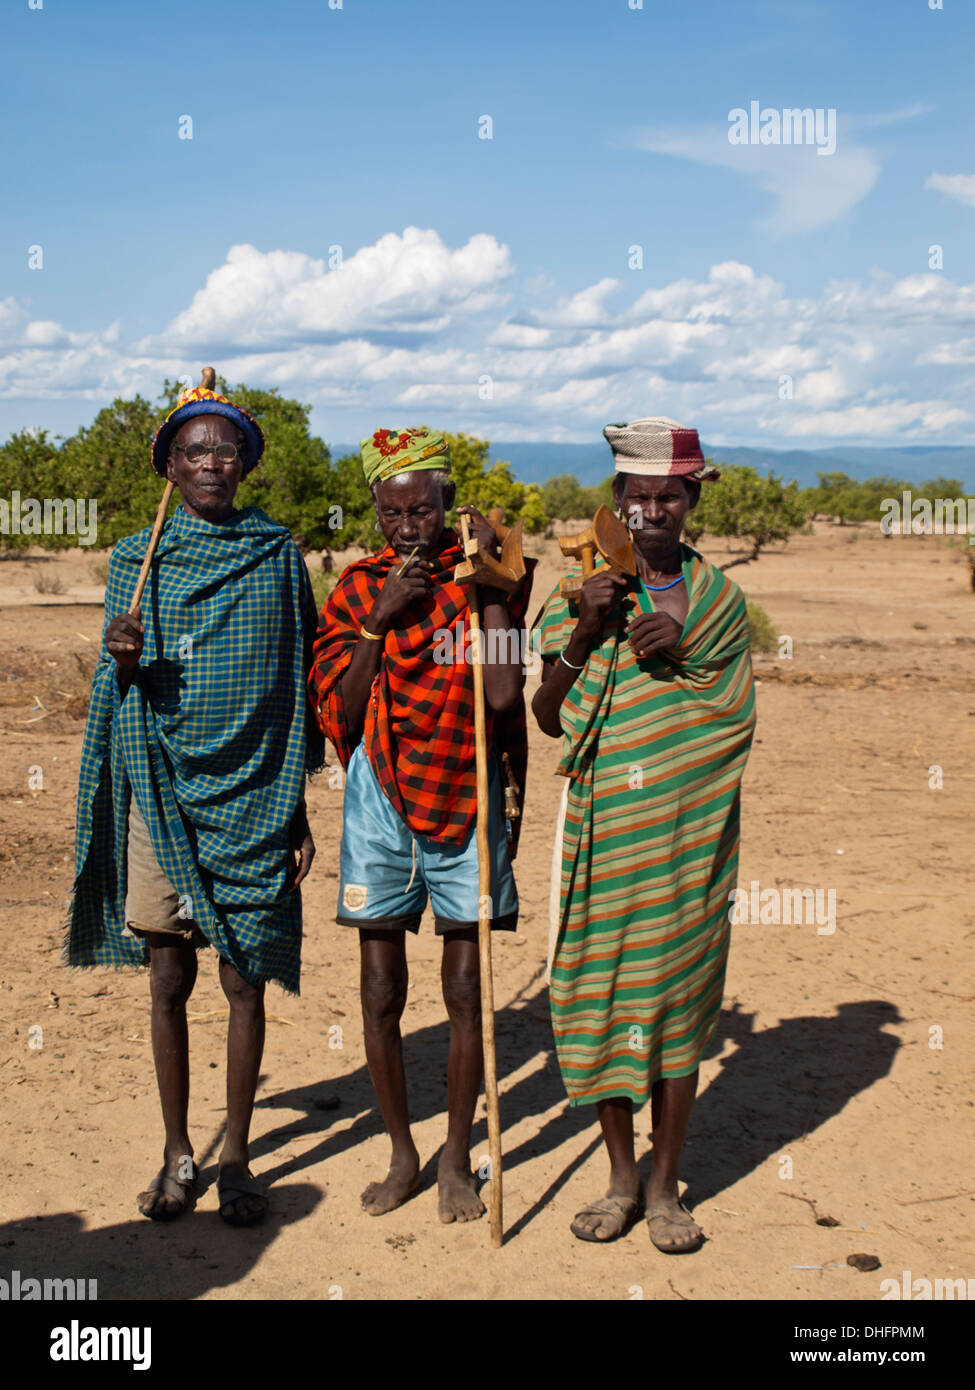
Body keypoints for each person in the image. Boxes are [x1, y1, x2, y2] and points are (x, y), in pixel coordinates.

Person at [66, 375, 324, 1227]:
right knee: (167, 979)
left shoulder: (278, 555)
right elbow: (121, 686)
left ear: (245, 463)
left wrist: (296, 805)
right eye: (194, 451)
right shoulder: (139, 562)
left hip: (256, 795)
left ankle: (240, 1157)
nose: (211, 462)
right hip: (161, 791)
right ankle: (180, 1153)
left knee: (243, 981)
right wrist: (125, 655)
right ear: (169, 467)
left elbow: (297, 686)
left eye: (226, 450)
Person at [532, 416, 756, 1252]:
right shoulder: (579, 592)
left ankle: (666, 1189)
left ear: (690, 501)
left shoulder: (721, 605)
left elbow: (731, 719)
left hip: (689, 844)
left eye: (669, 497)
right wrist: (587, 633)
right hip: (605, 837)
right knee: (603, 995)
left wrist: (688, 645)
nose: (652, 512)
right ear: (616, 503)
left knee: (673, 1004)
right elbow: (548, 718)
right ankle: (619, 1179)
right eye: (638, 498)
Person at [309, 428, 534, 1224]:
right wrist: (381, 617)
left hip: (466, 786)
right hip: (378, 795)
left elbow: (504, 700)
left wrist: (496, 588)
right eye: (393, 513)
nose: (409, 528)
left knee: (466, 986)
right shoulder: (357, 587)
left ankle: (455, 1162)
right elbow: (337, 707)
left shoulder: (485, 578)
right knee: (379, 990)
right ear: (375, 512)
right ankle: (403, 1152)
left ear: (448, 505)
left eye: (424, 510)